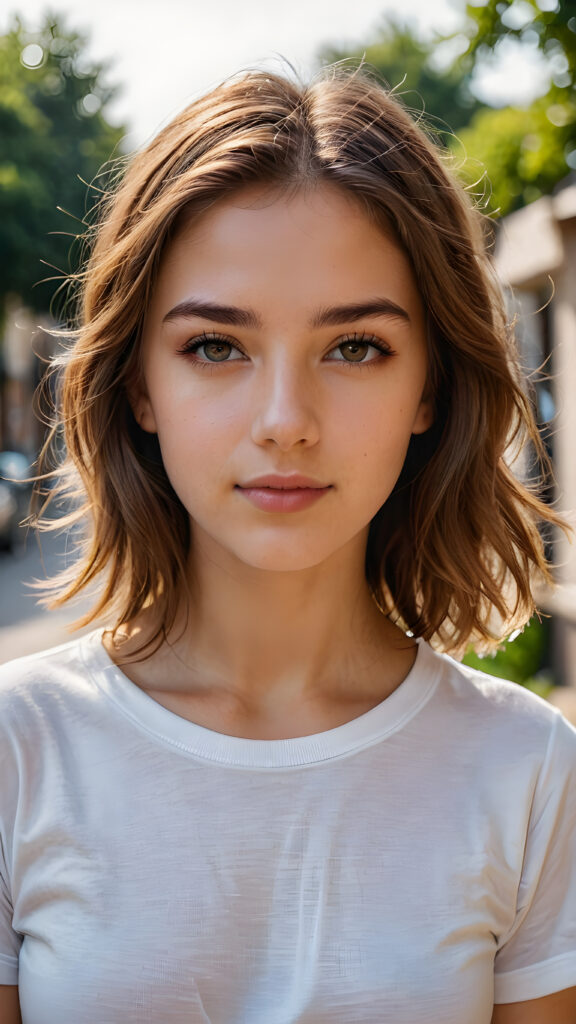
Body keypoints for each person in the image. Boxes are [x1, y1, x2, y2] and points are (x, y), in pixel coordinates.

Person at [1, 67, 575, 1024]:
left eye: (355, 347)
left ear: (430, 387)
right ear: (139, 385)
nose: (285, 421)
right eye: (215, 347)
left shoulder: (530, 771)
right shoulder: (19, 751)